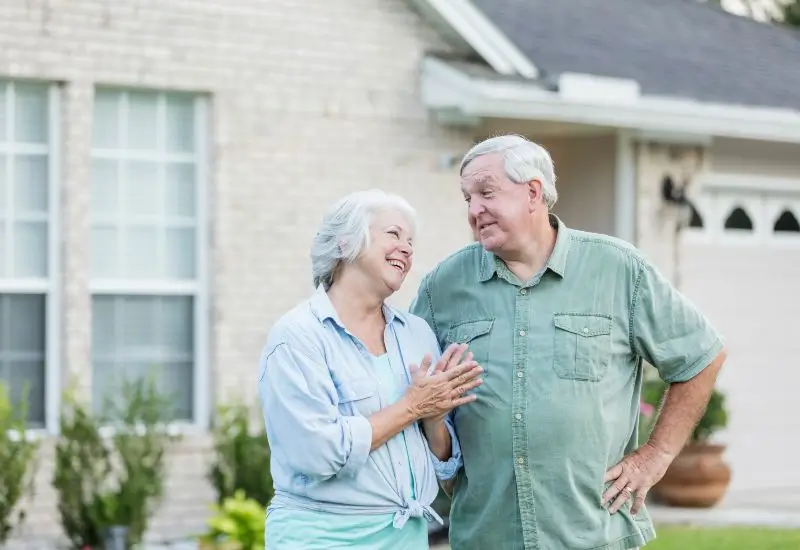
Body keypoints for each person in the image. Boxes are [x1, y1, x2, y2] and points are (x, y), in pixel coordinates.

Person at [410, 135, 727, 550]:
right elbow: (409, 387)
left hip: (594, 534)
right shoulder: (443, 286)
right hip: (485, 535)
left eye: (486, 193)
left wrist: (657, 455)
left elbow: (701, 356)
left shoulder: (618, 269)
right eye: (467, 198)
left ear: (533, 193)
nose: (474, 210)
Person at [258, 189, 483, 550]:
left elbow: (444, 466)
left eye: (411, 241)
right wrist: (412, 407)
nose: (408, 249)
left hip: (406, 537)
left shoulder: (416, 334)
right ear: (345, 243)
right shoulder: (298, 337)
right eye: (394, 234)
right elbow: (317, 453)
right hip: (322, 537)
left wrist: (435, 418)